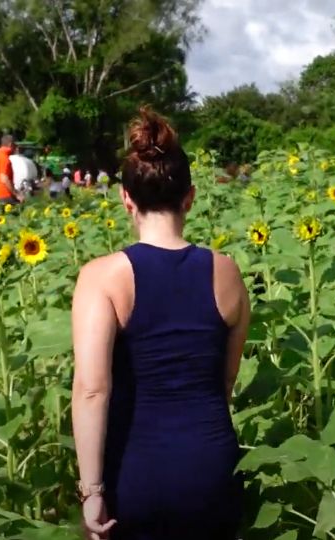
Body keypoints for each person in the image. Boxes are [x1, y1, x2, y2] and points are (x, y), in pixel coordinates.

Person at [72, 108, 250, 540]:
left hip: (136, 467)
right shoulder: (226, 273)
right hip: (212, 462)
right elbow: (225, 381)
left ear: (125, 199)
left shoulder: (101, 277)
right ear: (189, 197)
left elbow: (92, 389)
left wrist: (92, 489)